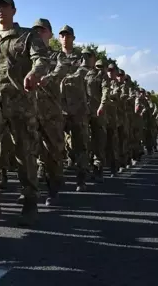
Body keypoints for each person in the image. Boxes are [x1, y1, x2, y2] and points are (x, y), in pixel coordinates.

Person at [0, 0, 48, 225]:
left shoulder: (27, 36)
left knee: (25, 153)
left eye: (4, 7)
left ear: (14, 10)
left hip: (21, 104)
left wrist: (35, 72)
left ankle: (30, 199)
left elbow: (41, 58)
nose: (0, 10)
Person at [32, 18, 69, 205]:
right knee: (29, 151)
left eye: (43, 30)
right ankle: (30, 191)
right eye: (36, 30)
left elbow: (62, 69)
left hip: (52, 112)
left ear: (50, 34)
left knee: (53, 152)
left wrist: (49, 77)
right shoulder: (28, 56)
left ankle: (53, 189)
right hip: (30, 110)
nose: (39, 33)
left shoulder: (56, 57)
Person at [57, 25, 89, 191]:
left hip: (78, 108)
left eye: (68, 35)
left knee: (80, 144)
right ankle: (56, 179)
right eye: (62, 35)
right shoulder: (54, 56)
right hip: (59, 107)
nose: (65, 38)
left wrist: (70, 76)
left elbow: (84, 71)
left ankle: (81, 178)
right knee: (55, 144)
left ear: (73, 38)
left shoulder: (81, 56)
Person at [82, 49, 109, 182]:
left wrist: (102, 105)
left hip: (97, 113)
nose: (86, 58)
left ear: (93, 58)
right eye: (84, 56)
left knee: (99, 142)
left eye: (88, 56)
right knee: (84, 142)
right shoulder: (79, 73)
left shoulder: (100, 75)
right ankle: (85, 170)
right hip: (83, 113)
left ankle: (98, 169)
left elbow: (105, 90)